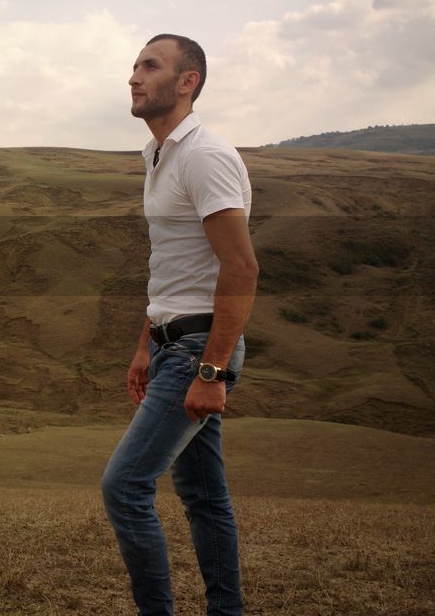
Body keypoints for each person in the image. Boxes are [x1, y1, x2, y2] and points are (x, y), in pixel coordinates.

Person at [101, 34, 259, 616]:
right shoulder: (159, 154)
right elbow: (174, 266)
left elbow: (240, 266)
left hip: (199, 348)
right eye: (135, 65)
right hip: (175, 342)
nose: (134, 77)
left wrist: (211, 370)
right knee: (203, 497)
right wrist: (147, 344)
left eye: (150, 66)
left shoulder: (204, 155)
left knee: (125, 488)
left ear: (187, 81)